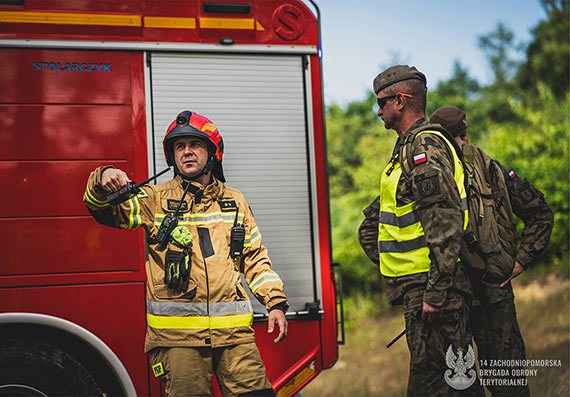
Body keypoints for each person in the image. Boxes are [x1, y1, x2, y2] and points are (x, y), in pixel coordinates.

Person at [84, 110, 288, 396]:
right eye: (180, 146)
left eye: (195, 145)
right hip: (178, 342)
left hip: (235, 339)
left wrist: (275, 302)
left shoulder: (234, 201)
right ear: (172, 156)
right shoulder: (153, 199)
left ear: (213, 152)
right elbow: (105, 211)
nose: (187, 152)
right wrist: (103, 176)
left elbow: (254, 258)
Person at [371, 65, 483, 396]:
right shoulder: (408, 148)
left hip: (433, 291)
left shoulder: (424, 148)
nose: (379, 111)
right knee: (454, 382)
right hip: (421, 288)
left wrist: (435, 291)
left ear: (401, 101)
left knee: (441, 384)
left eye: (382, 102)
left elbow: (444, 220)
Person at [430, 106, 554, 397]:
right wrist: (520, 260)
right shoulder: (486, 167)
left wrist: (521, 260)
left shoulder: (485, 170)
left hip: (472, 295)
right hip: (468, 296)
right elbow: (541, 214)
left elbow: (540, 214)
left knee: (477, 384)